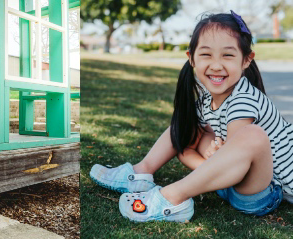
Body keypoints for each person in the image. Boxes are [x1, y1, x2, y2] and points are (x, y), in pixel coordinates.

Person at [90, 11, 293, 223]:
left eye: (228, 55)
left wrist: (218, 158)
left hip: (264, 191)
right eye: (206, 54)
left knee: (253, 135)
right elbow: (184, 140)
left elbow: (238, 169)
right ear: (192, 59)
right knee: (187, 129)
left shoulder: (244, 100)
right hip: (232, 181)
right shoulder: (207, 99)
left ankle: (173, 196)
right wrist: (209, 158)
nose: (216, 65)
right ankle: (141, 172)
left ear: (246, 60)